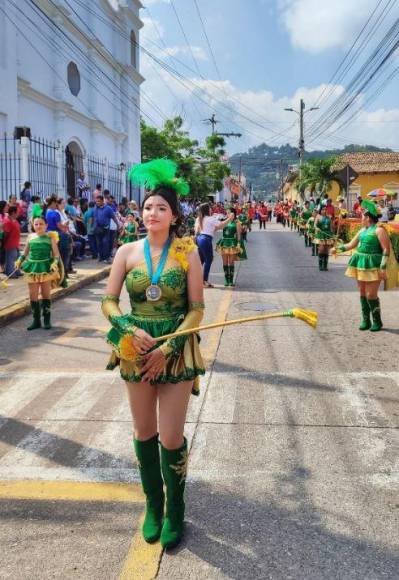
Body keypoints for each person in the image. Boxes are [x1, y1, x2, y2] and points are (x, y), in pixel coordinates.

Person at [102, 158, 205, 550]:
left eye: (161, 208)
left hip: (175, 348)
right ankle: (154, 505)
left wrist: (171, 345)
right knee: (143, 430)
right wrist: (128, 328)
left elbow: (197, 308)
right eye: (147, 207)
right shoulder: (126, 251)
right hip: (135, 347)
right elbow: (109, 303)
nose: (152, 213)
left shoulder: (186, 252)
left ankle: (176, 509)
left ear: (174, 214)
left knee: (171, 434)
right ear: (140, 212)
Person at [332, 200, 392, 331]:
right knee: (362, 292)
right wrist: (338, 249)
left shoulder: (379, 230)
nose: (361, 218)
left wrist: (382, 266)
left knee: (371, 294)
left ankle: (377, 320)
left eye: (363, 216)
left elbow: (386, 249)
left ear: (369, 218)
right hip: (360, 264)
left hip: (374, 265)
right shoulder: (362, 231)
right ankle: (366, 320)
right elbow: (350, 245)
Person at [15, 214, 62, 330]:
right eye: (36, 224)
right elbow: (25, 253)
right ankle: (36, 321)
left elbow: (56, 255)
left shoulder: (50, 238)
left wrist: (54, 263)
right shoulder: (30, 237)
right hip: (32, 268)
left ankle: (46, 319)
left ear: (46, 225)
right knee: (33, 294)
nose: (38, 226)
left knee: (46, 294)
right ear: (33, 225)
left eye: (41, 224)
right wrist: (19, 260)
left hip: (45, 268)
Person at [195, 203, 233, 288]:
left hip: (199, 239)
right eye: (210, 208)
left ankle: (197, 280)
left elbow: (214, 228)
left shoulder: (199, 218)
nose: (211, 209)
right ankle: (204, 281)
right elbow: (221, 225)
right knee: (208, 260)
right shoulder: (210, 218)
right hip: (206, 240)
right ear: (206, 210)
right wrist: (230, 219)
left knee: (201, 261)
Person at [216, 207, 243, 286]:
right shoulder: (224, 221)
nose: (227, 214)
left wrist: (238, 244)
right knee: (225, 262)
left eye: (229, 213)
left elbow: (238, 235)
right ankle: (226, 279)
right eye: (226, 213)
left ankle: (231, 280)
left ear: (233, 214)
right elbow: (218, 227)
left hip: (232, 243)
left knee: (231, 262)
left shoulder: (237, 222)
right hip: (224, 243)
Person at [93, 195, 119, 263]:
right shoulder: (95, 208)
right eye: (96, 201)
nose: (97, 203)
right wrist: (93, 227)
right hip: (97, 228)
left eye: (98, 201)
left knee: (105, 243)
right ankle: (101, 257)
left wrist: (118, 224)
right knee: (99, 243)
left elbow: (113, 217)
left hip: (105, 228)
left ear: (102, 201)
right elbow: (94, 218)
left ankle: (107, 258)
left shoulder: (108, 208)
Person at [3, 206, 22, 277]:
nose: (18, 213)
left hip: (16, 243)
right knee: (10, 259)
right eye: (17, 212)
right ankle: (11, 273)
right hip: (10, 244)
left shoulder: (15, 220)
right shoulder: (7, 221)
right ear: (13, 213)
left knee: (17, 258)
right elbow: (5, 233)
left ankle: (17, 271)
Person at [314, 206, 334, 271]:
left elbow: (331, 227)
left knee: (326, 250)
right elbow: (315, 225)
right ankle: (320, 265)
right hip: (321, 234)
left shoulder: (329, 217)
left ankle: (325, 266)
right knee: (321, 249)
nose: (324, 211)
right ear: (320, 210)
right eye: (323, 209)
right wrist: (317, 228)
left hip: (328, 235)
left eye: (325, 209)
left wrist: (333, 234)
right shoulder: (318, 216)